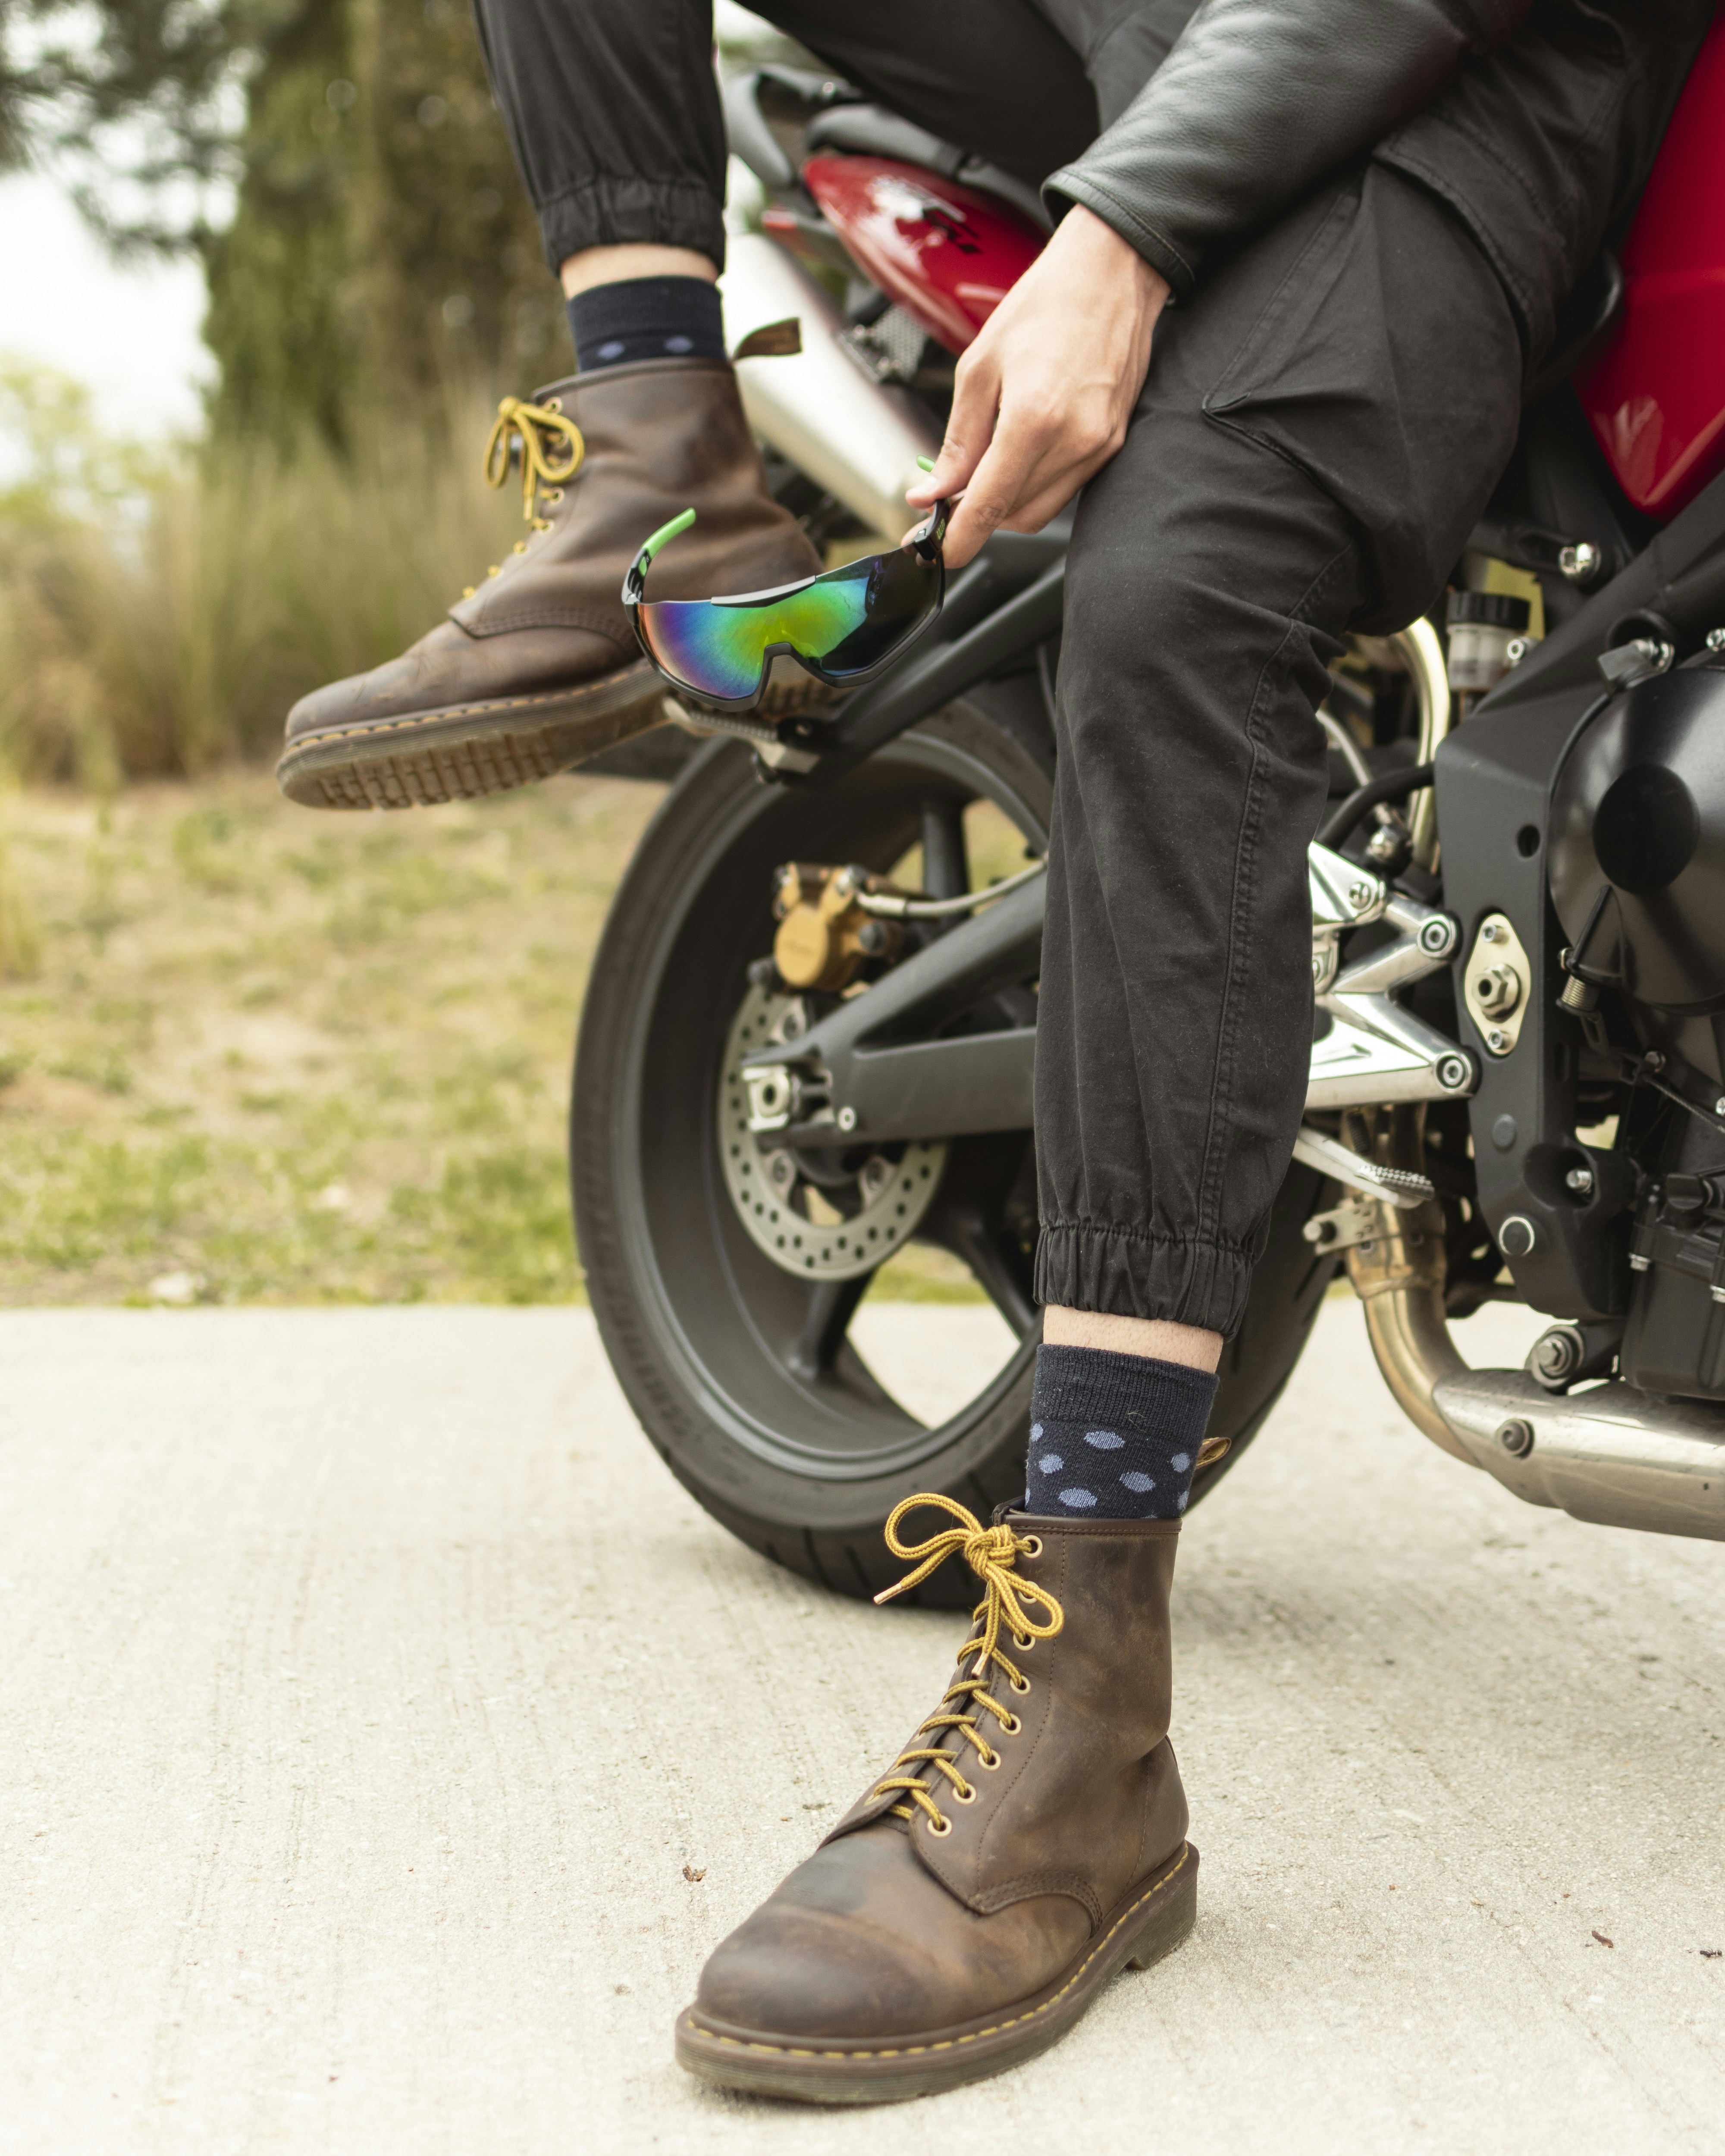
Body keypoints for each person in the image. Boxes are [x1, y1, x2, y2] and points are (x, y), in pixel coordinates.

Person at [280, 0, 1708, 2103]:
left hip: (1471, 70)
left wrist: (1120, 237)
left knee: (1180, 577)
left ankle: (1084, 1690)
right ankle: (659, 461)